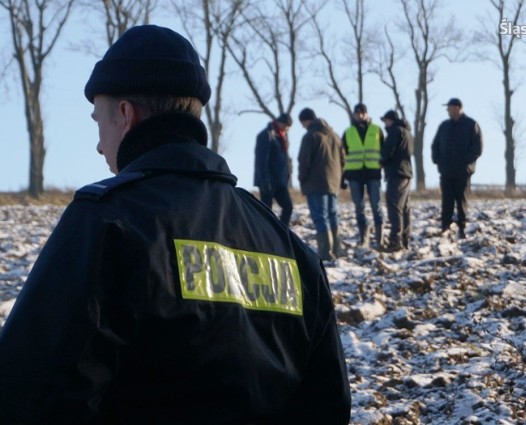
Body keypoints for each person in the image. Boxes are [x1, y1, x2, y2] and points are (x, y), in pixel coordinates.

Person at [0, 25, 351, 424]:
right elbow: (328, 405)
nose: (99, 146)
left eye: (99, 122)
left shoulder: (107, 222)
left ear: (126, 115)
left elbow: (27, 394)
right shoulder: (288, 247)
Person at [297, 107, 345, 261]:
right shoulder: (335, 136)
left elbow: (304, 161)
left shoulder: (310, 136)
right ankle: (337, 249)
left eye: (302, 123)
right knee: (332, 215)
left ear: (306, 120)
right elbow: (343, 160)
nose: (303, 126)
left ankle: (325, 252)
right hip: (333, 183)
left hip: (316, 183)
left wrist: (302, 178)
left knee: (320, 217)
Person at [431, 98, 483, 239]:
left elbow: (477, 147)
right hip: (446, 170)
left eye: (449, 107)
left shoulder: (471, 125)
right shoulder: (444, 126)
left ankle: (462, 228)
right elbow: (435, 145)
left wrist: (465, 163)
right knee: (446, 200)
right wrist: (438, 160)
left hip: (462, 171)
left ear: (458, 108)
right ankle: (445, 227)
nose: (448, 110)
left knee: (461, 200)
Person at [342, 103, 385, 248]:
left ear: (367, 114)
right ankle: (364, 239)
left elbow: (384, 150)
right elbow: (343, 155)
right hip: (354, 175)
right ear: (354, 115)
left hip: (373, 173)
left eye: (362, 113)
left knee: (376, 206)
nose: (359, 115)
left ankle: (380, 239)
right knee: (359, 207)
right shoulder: (348, 132)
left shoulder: (377, 130)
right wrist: (343, 177)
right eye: (357, 113)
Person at [380, 110, 414, 252]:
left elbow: (388, 151)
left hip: (397, 173)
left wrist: (381, 161)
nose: (384, 124)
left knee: (394, 206)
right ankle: (406, 240)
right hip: (406, 172)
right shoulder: (407, 132)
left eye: (386, 121)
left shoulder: (395, 131)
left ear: (391, 120)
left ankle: (395, 240)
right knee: (405, 208)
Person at [254, 113, 294, 226]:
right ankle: (265, 236)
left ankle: (281, 233)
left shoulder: (282, 136)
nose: (287, 129)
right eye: (286, 126)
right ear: (279, 122)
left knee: (288, 207)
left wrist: (288, 175)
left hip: (280, 181)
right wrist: (265, 181)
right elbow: (261, 160)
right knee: (266, 213)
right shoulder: (265, 135)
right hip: (268, 181)